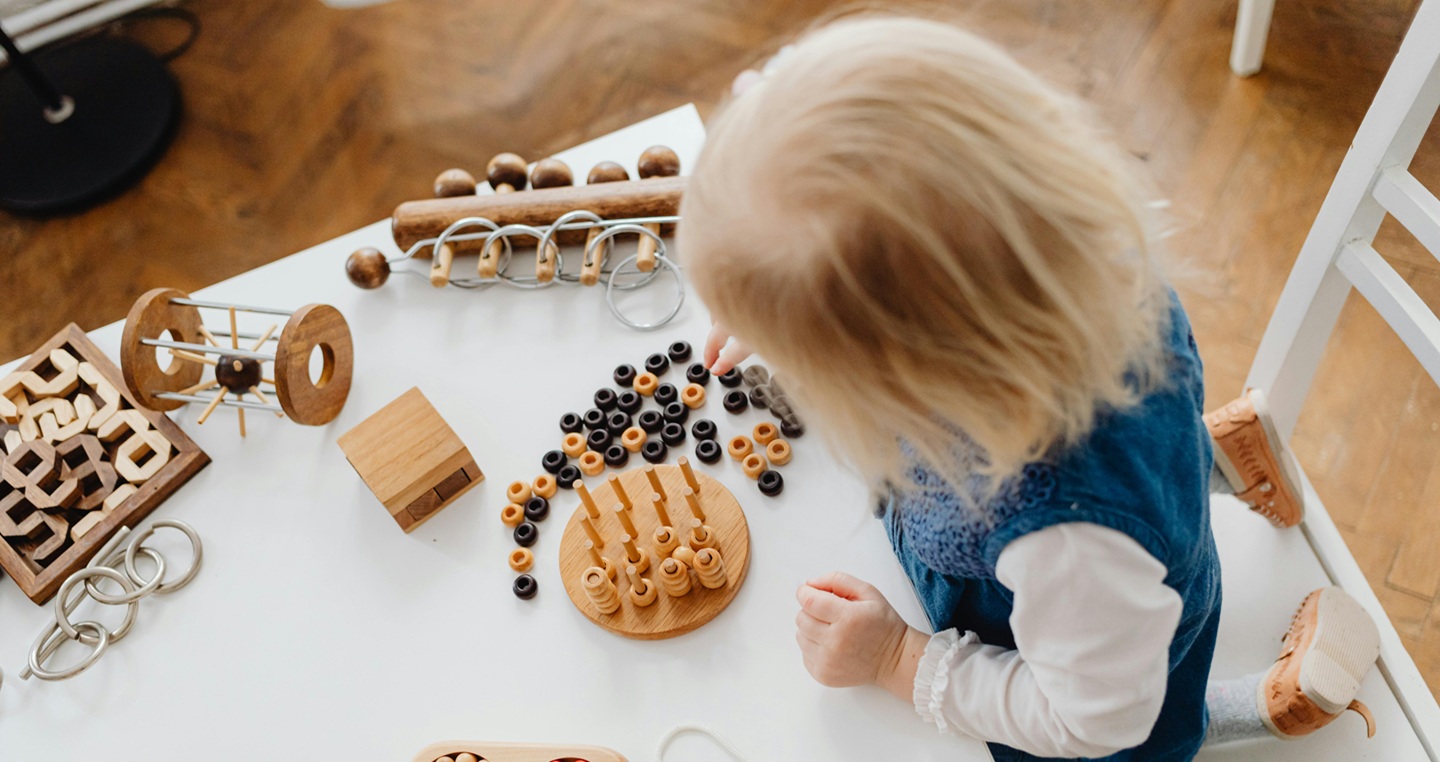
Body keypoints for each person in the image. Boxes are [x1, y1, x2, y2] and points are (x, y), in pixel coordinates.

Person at [681, 15, 1381, 760]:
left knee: (1145, 733)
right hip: (1101, 538)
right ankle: (1214, 459)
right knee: (1135, 501)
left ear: (909, 373)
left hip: (1105, 679)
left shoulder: (1066, 541)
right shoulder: (1067, 260)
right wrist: (801, 307)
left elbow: (1097, 718)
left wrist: (896, 660)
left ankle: (1248, 709)